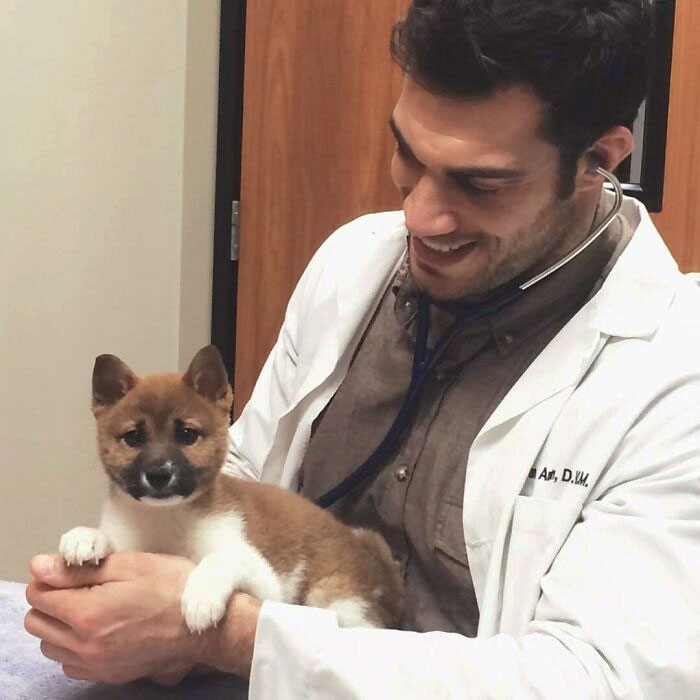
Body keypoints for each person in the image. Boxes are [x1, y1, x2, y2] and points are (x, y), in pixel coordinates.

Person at [24, 0, 700, 696]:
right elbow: (243, 481)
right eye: (408, 152)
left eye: (480, 182)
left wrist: (236, 637)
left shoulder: (675, 375)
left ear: (599, 158)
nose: (419, 216)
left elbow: (600, 682)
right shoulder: (354, 264)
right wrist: (141, 588)